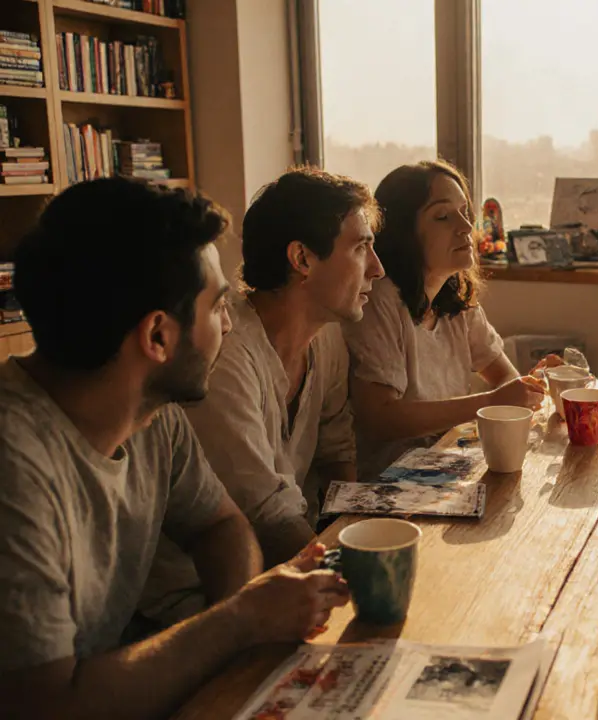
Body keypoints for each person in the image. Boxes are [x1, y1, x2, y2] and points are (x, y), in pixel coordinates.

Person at [0, 177, 349, 719]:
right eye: (218, 308)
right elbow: (47, 705)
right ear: (158, 337)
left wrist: (240, 617)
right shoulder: (15, 465)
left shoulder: (152, 414)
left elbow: (220, 525)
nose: (230, 325)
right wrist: (238, 623)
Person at [139, 169, 384, 627]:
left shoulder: (327, 337)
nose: (377, 268)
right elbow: (267, 518)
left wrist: (357, 543)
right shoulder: (224, 355)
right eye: (360, 247)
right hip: (191, 603)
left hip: (281, 575)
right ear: (302, 259)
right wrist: (359, 581)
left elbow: (336, 451)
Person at [344, 160, 556, 480]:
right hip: (388, 485)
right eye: (443, 216)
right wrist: (492, 401)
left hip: (446, 470)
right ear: (404, 233)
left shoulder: (456, 300)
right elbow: (380, 417)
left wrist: (532, 386)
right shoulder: (379, 300)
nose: (466, 227)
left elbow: (505, 382)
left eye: (465, 212)